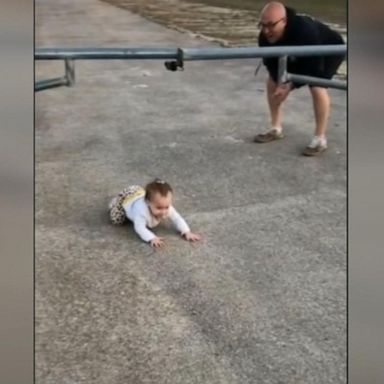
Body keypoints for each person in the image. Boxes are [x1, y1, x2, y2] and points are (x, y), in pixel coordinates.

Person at [254, 1, 345, 156]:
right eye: (262, 25)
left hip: (328, 49)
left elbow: (312, 66)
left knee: (316, 85)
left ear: (284, 21)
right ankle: (275, 128)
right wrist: (280, 83)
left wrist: (290, 86)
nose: (266, 30)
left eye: (271, 25)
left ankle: (319, 139)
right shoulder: (264, 36)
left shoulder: (304, 30)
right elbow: (270, 63)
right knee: (272, 81)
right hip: (299, 51)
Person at [108, 179, 201, 248]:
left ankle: (143, 193)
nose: (164, 211)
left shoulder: (165, 206)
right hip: (128, 198)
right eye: (159, 208)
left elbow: (177, 218)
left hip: (141, 193)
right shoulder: (141, 211)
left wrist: (186, 231)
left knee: (153, 196)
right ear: (148, 202)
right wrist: (151, 237)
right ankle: (115, 202)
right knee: (117, 220)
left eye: (167, 207)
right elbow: (139, 228)